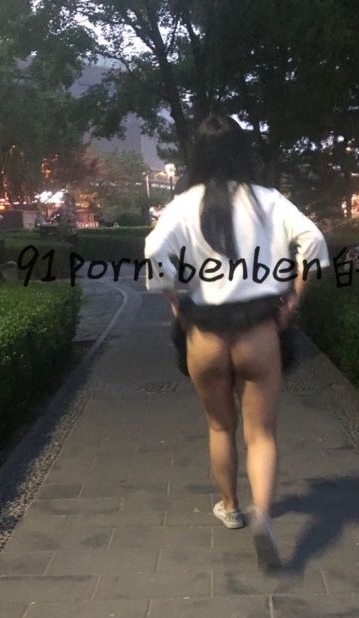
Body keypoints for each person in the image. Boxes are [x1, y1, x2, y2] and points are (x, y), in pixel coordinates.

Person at [144, 115, 329, 571]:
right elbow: (313, 239)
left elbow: (153, 252)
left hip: (205, 332)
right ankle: (263, 513)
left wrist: (174, 301)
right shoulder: (269, 201)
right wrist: (294, 298)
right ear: (243, 151)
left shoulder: (183, 205)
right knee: (261, 432)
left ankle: (230, 508)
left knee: (219, 427)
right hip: (258, 330)